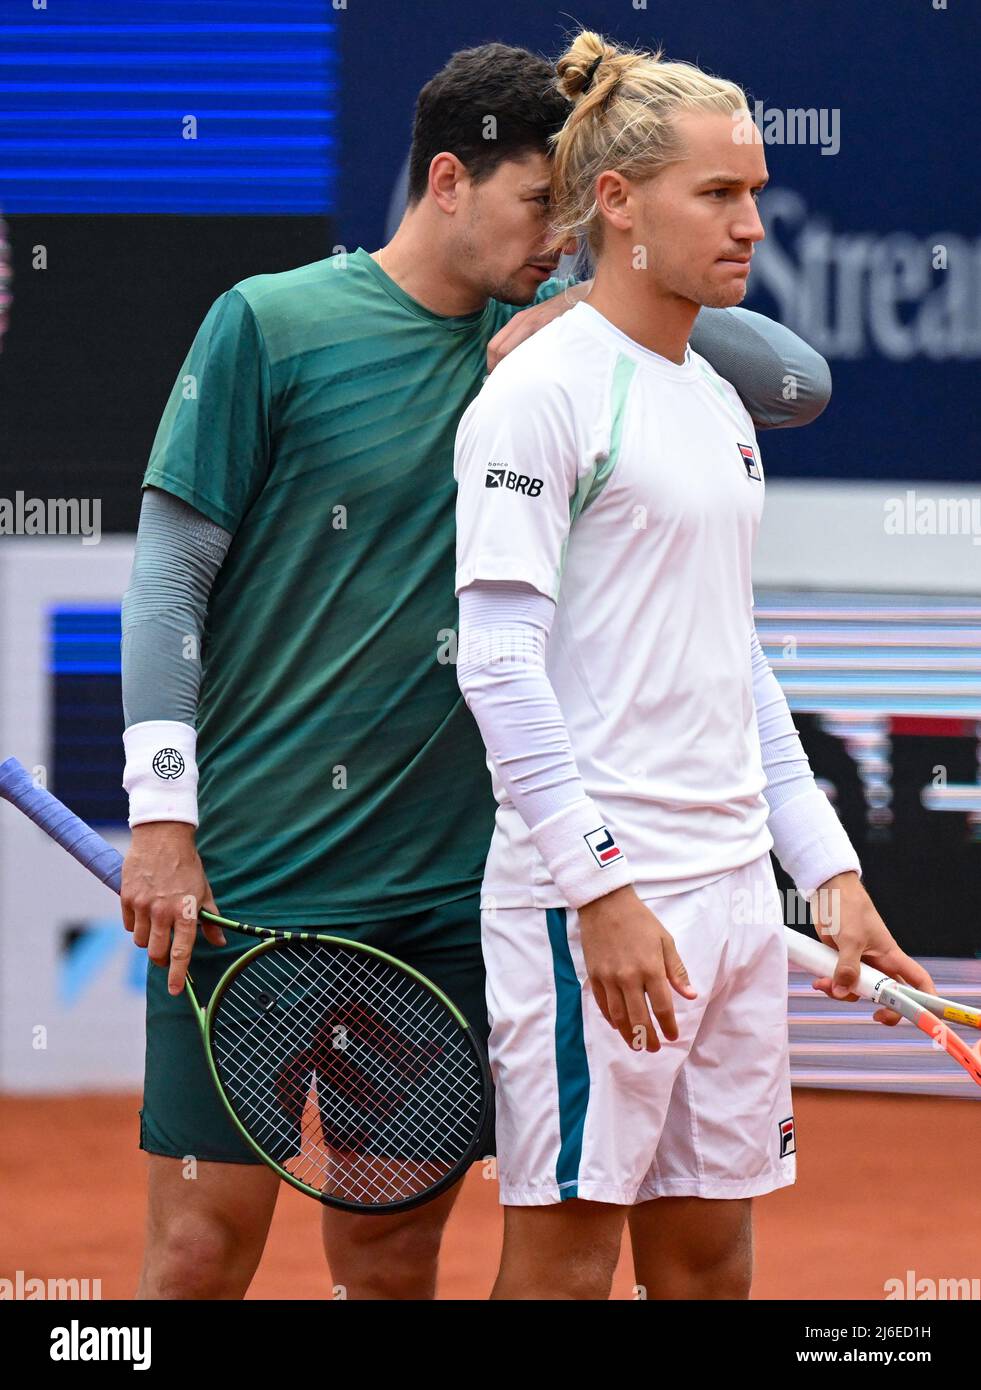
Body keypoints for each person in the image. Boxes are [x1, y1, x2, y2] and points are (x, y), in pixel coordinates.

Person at [120, 42, 835, 1300]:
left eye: (581, 211)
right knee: (195, 1251)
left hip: (449, 898)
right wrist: (162, 814)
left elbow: (798, 377)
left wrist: (588, 297)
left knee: (392, 1254)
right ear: (447, 180)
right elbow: (170, 576)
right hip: (251, 879)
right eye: (538, 206)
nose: (562, 236)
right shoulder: (271, 323)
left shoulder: (555, 349)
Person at [453, 31, 936, 1301]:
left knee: (711, 1263)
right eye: (719, 195)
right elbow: (498, 666)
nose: (753, 224)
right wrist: (597, 891)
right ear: (617, 203)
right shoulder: (538, 396)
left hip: (731, 901)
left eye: (757, 192)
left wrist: (827, 874)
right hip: (598, 901)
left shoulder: (717, 403)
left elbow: (737, 667)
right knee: (562, 1267)